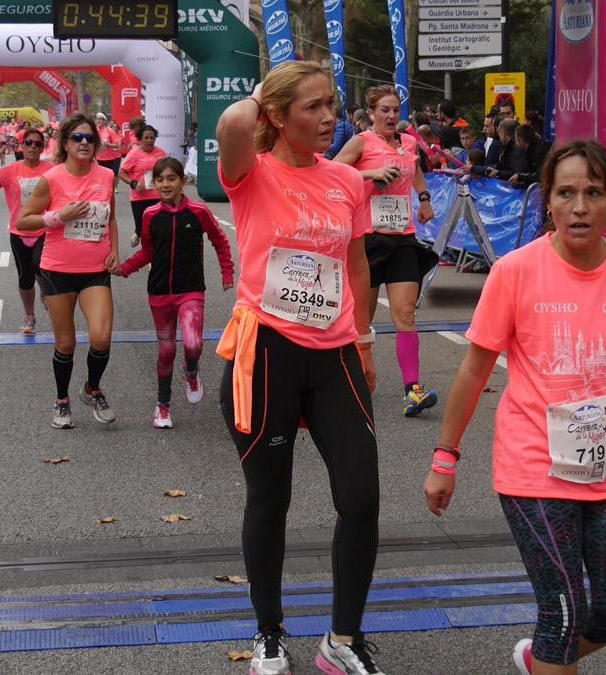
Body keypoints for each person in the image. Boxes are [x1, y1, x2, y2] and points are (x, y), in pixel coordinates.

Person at [423, 138, 606, 675]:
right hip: (534, 467)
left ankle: (540, 662)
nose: (580, 207)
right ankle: (552, 654)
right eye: (566, 193)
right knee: (562, 612)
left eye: (593, 193)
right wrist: (446, 457)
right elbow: (473, 369)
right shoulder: (515, 271)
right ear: (548, 203)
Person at [214, 60, 382, 675]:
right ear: (278, 116)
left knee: (361, 497)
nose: (329, 117)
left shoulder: (348, 181)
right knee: (269, 500)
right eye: (312, 106)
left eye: (332, 103)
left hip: (334, 353)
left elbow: (357, 264)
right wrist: (268, 90)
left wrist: (364, 342)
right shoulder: (250, 174)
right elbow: (234, 122)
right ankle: (269, 634)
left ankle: (342, 641)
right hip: (268, 353)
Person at [335, 83, 442, 418]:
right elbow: (333, 172)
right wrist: (370, 173)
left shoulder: (409, 142)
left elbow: (417, 170)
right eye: (385, 110)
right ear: (371, 113)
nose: (392, 116)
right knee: (360, 321)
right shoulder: (361, 142)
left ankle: (413, 390)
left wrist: (423, 199)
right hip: (367, 241)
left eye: (395, 110)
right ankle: (351, 381)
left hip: (402, 238)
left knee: (405, 313)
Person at [17, 113, 121, 429]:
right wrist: (57, 216)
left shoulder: (106, 177)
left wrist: (115, 249)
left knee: (101, 337)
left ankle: (92, 387)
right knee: (66, 343)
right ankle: (62, 401)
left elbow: (111, 218)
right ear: (65, 143)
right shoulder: (53, 178)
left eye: (90, 138)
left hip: (94, 270)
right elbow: (23, 220)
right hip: (57, 270)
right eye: (77, 137)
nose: (84, 143)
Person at [117, 157, 234, 427]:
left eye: (172, 178)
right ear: (154, 184)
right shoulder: (150, 215)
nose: (166, 184)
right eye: (160, 180)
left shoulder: (198, 212)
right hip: (159, 293)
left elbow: (220, 241)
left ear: (182, 181)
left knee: (193, 343)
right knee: (166, 351)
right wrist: (124, 268)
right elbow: (147, 251)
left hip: (191, 290)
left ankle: (191, 372)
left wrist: (226, 272)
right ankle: (163, 407)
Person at [0, 126, 56, 334]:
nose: (33, 147)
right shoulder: (12, 170)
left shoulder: (51, 169)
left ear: (43, 147)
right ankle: (30, 315)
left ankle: (45, 292)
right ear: (22, 146)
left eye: (38, 144)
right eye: (29, 143)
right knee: (25, 277)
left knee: (39, 266)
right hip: (19, 231)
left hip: (43, 229)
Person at [118, 125, 168, 248]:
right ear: (140, 139)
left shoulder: (161, 153)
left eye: (152, 137)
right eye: (146, 138)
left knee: (156, 228)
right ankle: (137, 232)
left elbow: (167, 171)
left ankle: (152, 257)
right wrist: (134, 184)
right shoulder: (134, 153)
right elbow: (121, 173)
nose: (150, 140)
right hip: (139, 197)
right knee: (142, 227)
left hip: (158, 195)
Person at [95, 112, 123, 176]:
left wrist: (108, 145)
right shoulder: (94, 130)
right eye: (97, 119)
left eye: (100, 119)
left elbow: (117, 145)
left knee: (109, 179)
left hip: (109, 160)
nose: (98, 120)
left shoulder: (109, 130)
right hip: (97, 159)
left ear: (104, 121)